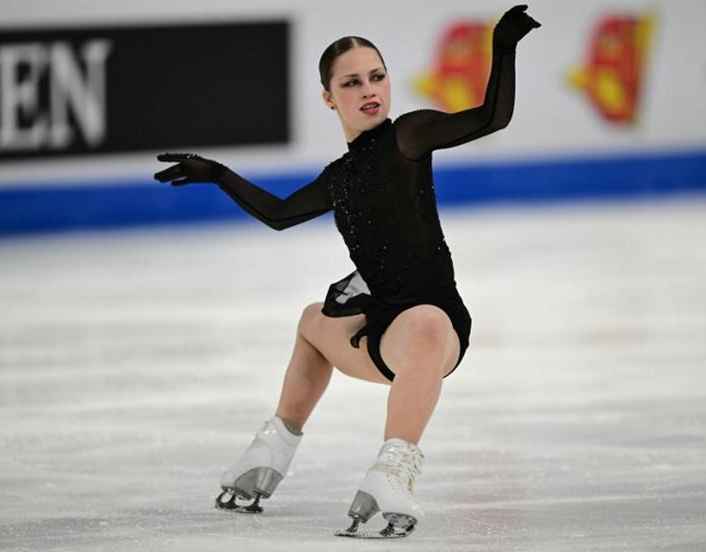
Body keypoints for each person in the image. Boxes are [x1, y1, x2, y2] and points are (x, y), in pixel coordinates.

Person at [154, 5, 540, 539]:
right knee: (314, 319)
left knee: (426, 323)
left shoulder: (408, 136)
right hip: (380, 330)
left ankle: (391, 472)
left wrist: (503, 47)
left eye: (377, 76)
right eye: (352, 82)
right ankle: (269, 451)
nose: (369, 89)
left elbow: (491, 117)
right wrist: (218, 173)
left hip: (434, 329)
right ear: (329, 97)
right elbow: (280, 214)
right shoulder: (338, 178)